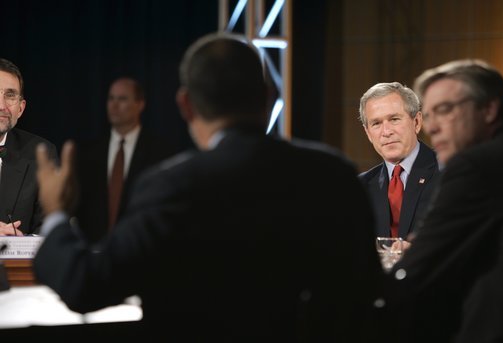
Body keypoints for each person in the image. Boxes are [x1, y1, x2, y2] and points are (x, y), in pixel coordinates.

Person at [32, 33, 385, 341]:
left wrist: (56, 215)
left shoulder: (171, 185)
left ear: (185, 104)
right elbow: (367, 297)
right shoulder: (334, 173)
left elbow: (86, 285)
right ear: (268, 96)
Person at [386, 59, 503, 343]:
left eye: (444, 111)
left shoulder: (478, 165)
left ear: (489, 109)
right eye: (429, 116)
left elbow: (418, 270)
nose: (433, 128)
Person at [74, 77, 177, 242]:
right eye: (111, 98)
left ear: (140, 104)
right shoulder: (87, 153)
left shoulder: (161, 153)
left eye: (122, 99)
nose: (114, 105)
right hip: (95, 253)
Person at [358, 82, 440, 240]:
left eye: (394, 119)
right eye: (376, 123)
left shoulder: (448, 171)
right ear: (368, 133)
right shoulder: (361, 187)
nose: (386, 132)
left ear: (416, 122)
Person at [0, 58, 57, 236]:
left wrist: (21, 243)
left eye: (10, 96)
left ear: (21, 108)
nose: (1, 106)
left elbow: (49, 229)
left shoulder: (41, 154)